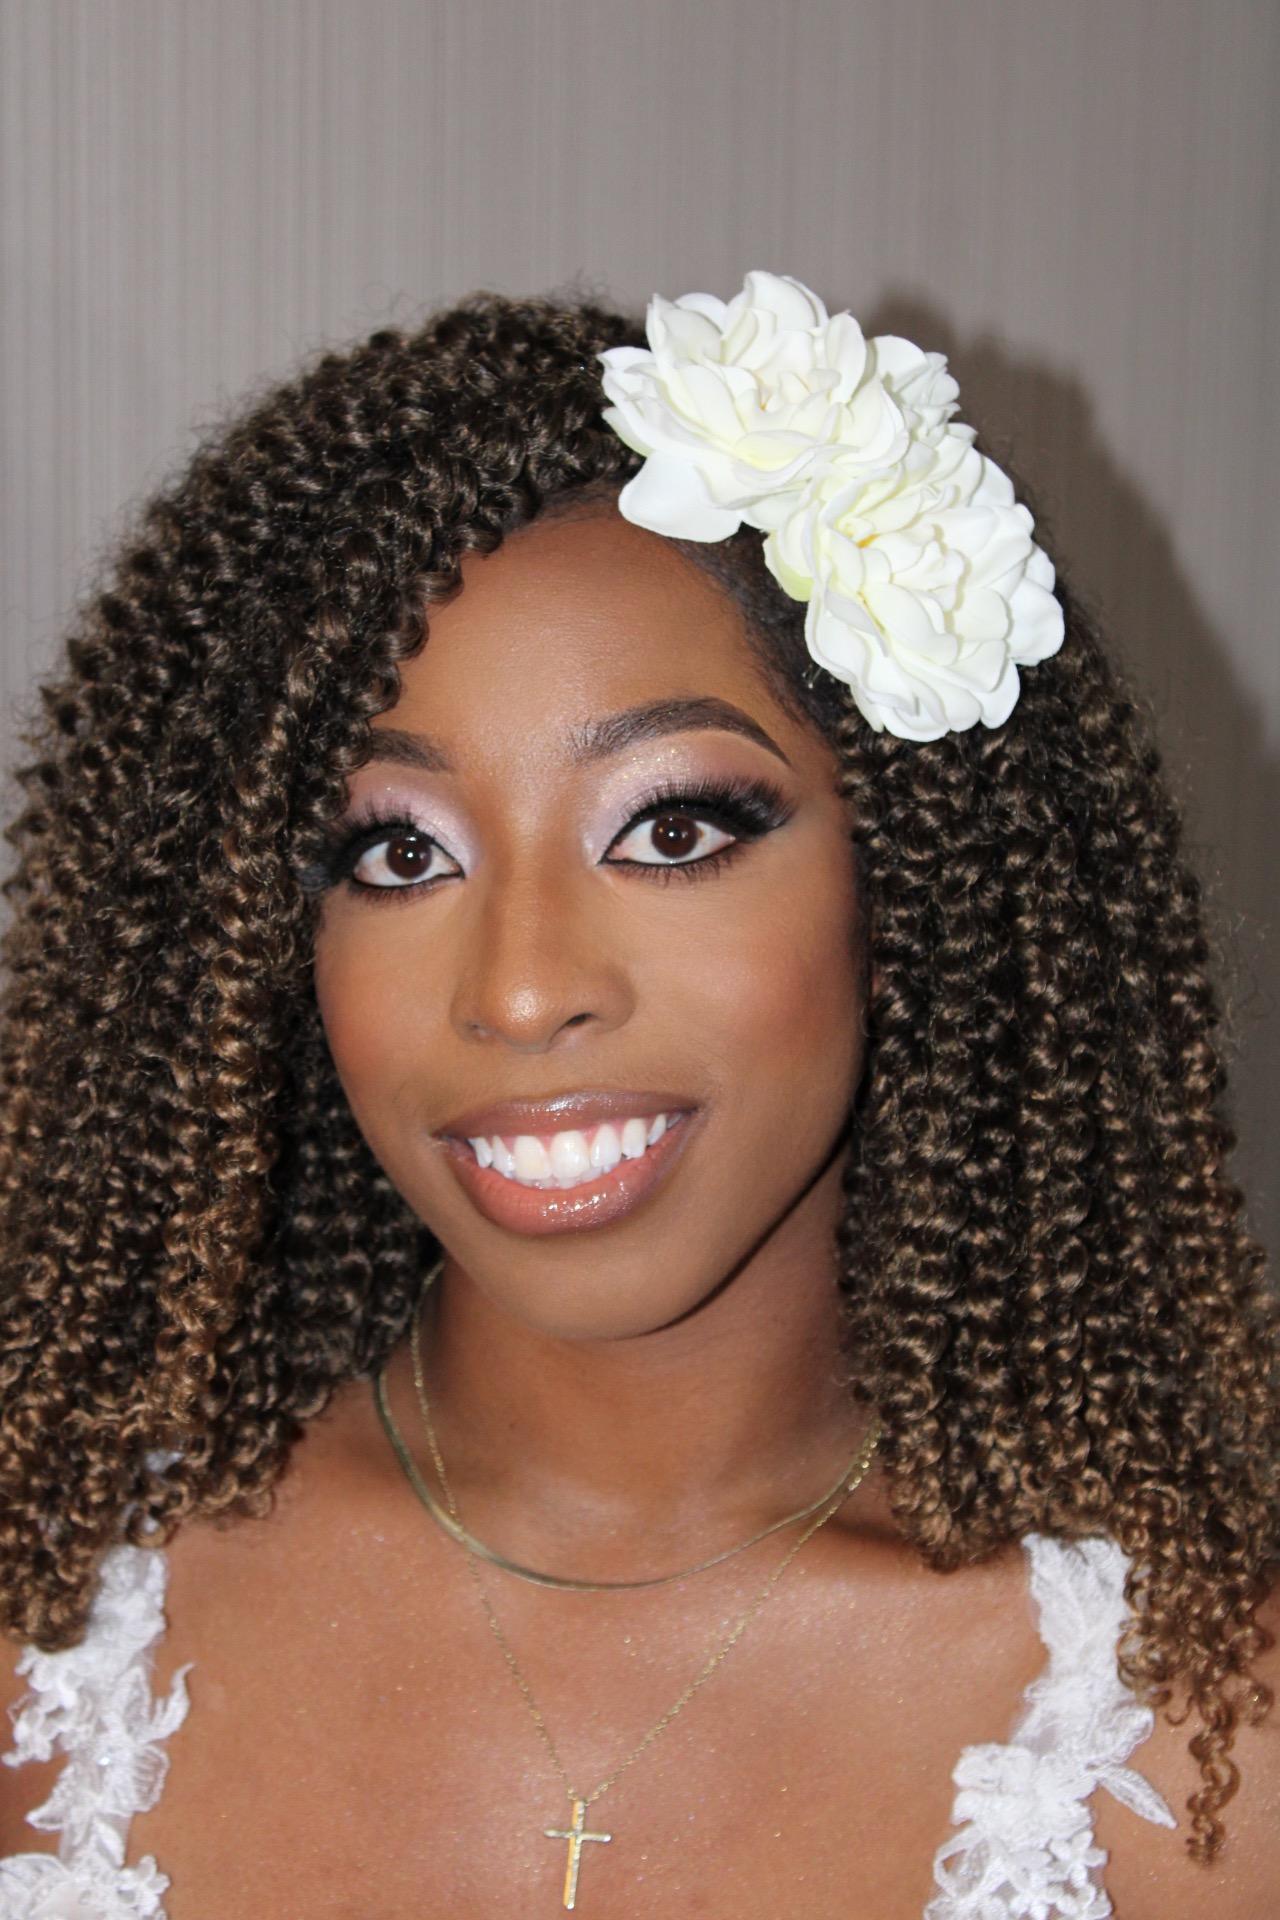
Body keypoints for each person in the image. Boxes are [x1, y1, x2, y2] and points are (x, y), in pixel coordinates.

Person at [0, 274, 1276, 1919]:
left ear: (920, 876)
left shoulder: (1206, 1752)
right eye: (398, 854)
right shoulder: (48, 1614)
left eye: (671, 829)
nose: (523, 989)